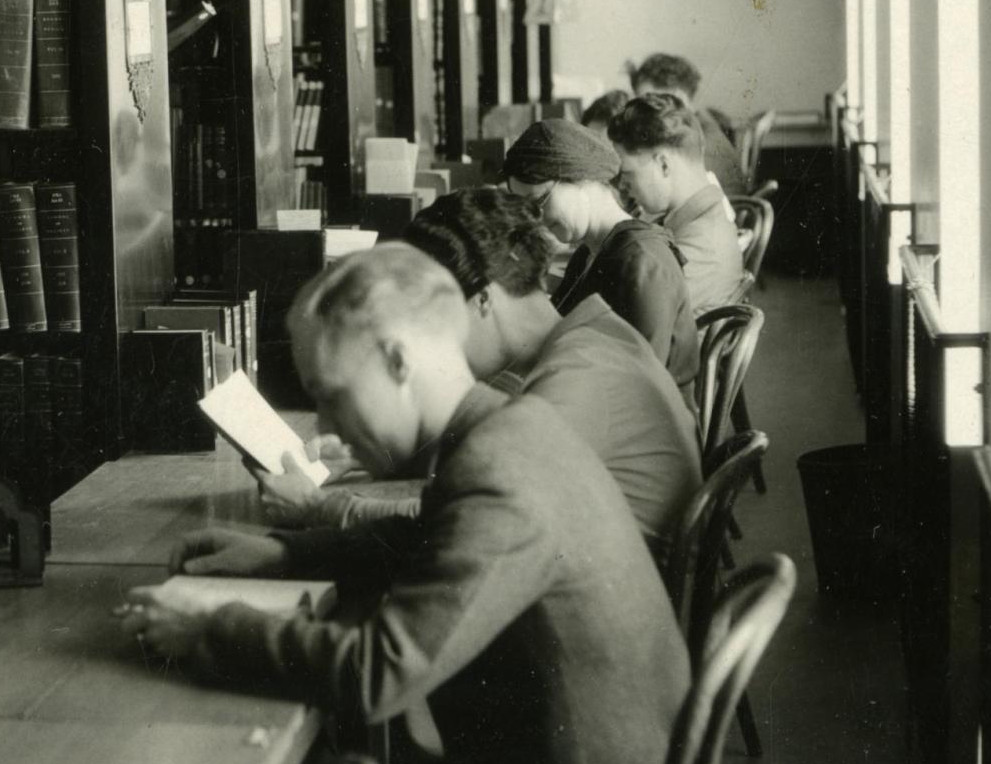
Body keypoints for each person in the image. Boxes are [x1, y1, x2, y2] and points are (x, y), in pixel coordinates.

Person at [116, 244, 689, 764]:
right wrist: (283, 555)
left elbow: (378, 673)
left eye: (331, 395)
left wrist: (210, 628)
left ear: (395, 360)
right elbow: (427, 532)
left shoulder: (498, 476)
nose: (324, 422)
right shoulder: (512, 430)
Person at [258, 187, 702, 559]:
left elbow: (459, 522)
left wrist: (318, 507)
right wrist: (368, 449)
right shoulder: (587, 336)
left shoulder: (574, 382)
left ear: (483, 300)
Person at [502, 116, 699, 397]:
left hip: (648, 429)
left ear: (580, 177)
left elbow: (641, 384)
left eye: (539, 203)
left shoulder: (642, 260)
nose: (537, 221)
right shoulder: (589, 252)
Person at [609, 96, 747, 315]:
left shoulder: (700, 247)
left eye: (627, 173)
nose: (623, 185)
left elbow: (625, 320)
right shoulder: (696, 218)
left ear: (663, 164)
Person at [627, 51, 748, 196]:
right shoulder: (695, 124)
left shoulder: (702, 145)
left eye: (650, 104)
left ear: (679, 96)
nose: (642, 116)